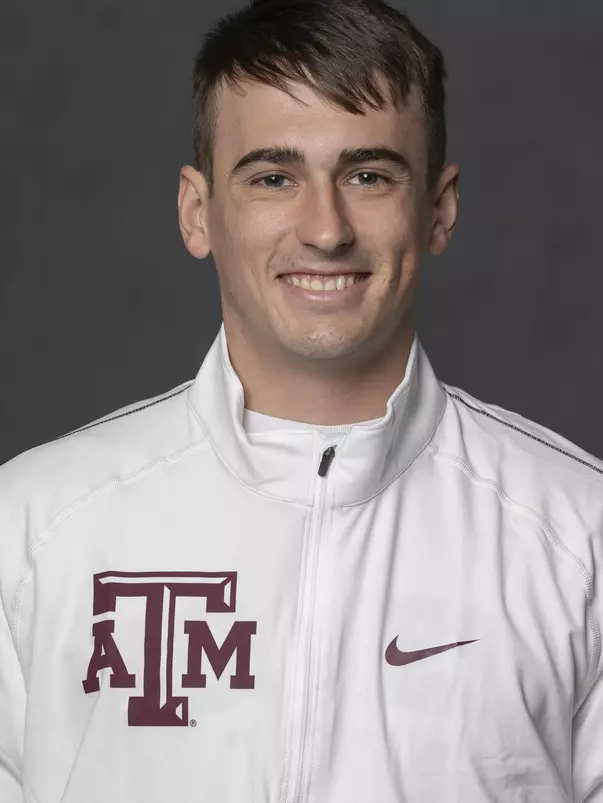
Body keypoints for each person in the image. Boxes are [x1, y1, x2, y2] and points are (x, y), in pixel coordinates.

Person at [1, 0, 602, 800]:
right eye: (273, 177)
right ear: (196, 210)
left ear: (439, 208)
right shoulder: (35, 523)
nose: (324, 228)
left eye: (367, 174)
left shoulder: (577, 532)